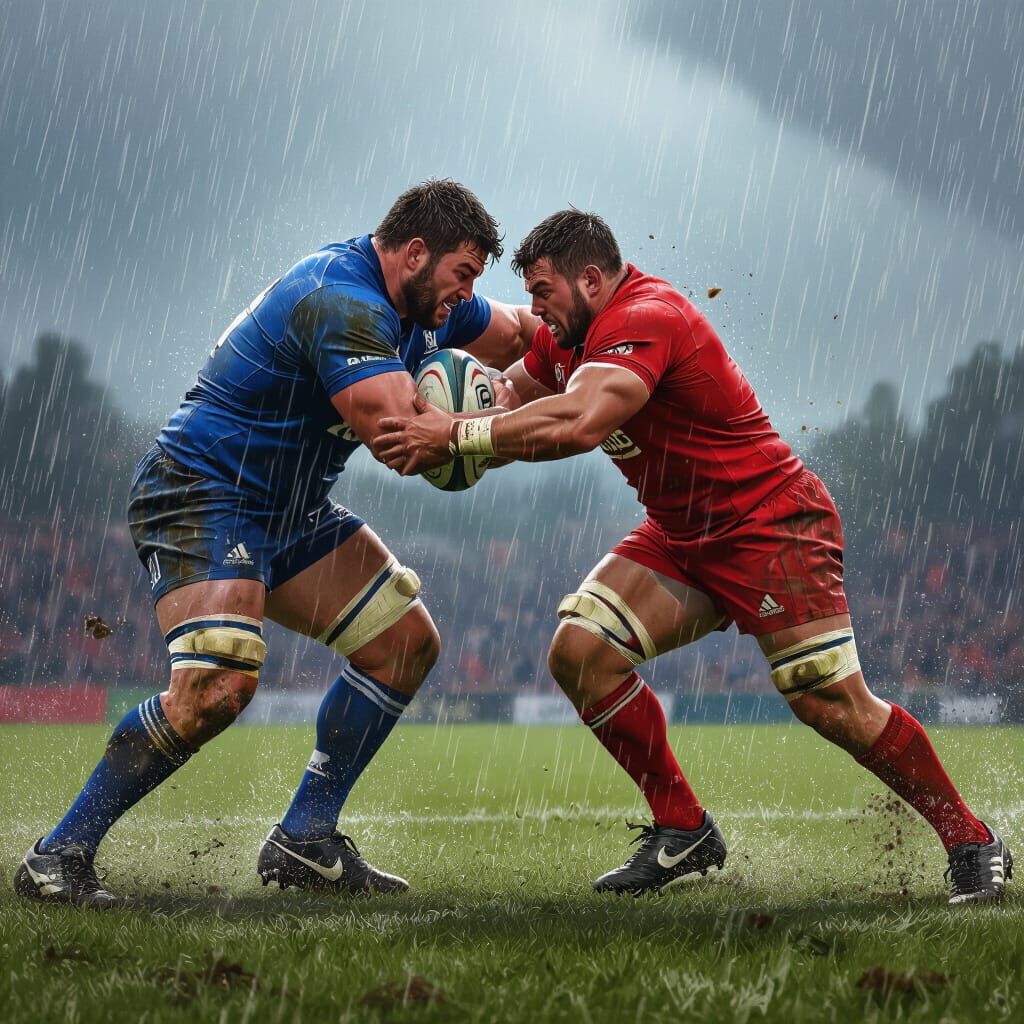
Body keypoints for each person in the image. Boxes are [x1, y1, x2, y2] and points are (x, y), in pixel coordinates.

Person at [373, 208, 1012, 903]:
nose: (536, 313)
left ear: (591, 279)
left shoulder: (646, 315)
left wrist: (459, 434)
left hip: (769, 526)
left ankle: (973, 840)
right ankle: (683, 829)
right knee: (580, 651)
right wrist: (445, 414)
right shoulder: (567, 340)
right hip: (682, 534)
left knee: (832, 704)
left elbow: (579, 422)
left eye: (544, 293)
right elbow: (514, 401)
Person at [14, 179, 537, 908]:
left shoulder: (422, 296)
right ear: (415, 253)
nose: (464, 296)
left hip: (288, 507)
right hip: (201, 490)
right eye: (461, 276)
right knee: (218, 684)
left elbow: (517, 334)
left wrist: (600, 340)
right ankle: (58, 856)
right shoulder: (344, 300)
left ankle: (305, 840)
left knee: (404, 643)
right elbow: (402, 441)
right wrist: (514, 422)